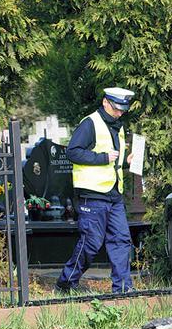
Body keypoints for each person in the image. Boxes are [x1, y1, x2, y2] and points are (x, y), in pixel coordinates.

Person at [55, 87, 136, 293]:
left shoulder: (118, 126)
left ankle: (123, 289)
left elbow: (113, 162)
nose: (120, 113)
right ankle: (66, 284)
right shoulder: (90, 123)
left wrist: (125, 163)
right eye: (117, 108)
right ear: (105, 102)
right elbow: (72, 152)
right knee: (91, 243)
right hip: (91, 195)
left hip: (114, 195)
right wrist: (101, 157)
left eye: (123, 110)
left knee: (121, 240)